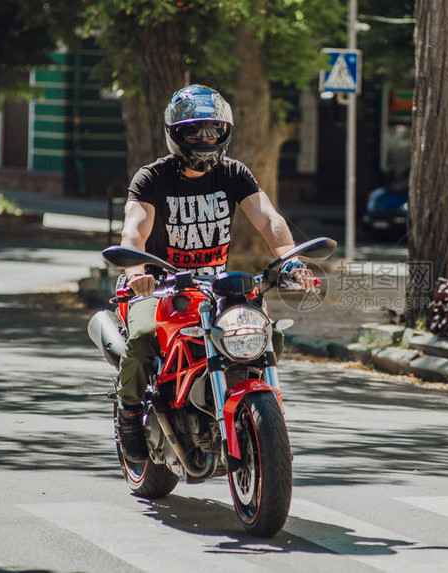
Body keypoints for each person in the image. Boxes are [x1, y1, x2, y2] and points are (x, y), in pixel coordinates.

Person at [116, 84, 312, 462]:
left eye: (213, 130)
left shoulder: (233, 173)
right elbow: (134, 229)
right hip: (158, 287)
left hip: (214, 287)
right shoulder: (152, 178)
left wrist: (290, 258)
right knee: (141, 339)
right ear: (175, 133)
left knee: (266, 336)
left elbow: (268, 217)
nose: (205, 139)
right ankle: (129, 415)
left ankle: (240, 407)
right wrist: (138, 269)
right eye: (195, 131)